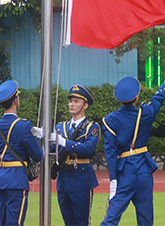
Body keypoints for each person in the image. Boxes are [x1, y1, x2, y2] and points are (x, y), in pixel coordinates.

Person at [101, 54, 165, 226]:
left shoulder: (110, 120)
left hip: (124, 172)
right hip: (144, 171)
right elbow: (160, 96)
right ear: (137, 96)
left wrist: (113, 181)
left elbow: (110, 153)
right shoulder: (145, 113)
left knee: (111, 219)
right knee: (146, 220)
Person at [0, 80, 43, 226]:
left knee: (0, 222)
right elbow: (37, 155)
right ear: (16, 101)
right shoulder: (24, 126)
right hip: (16, 179)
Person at [50, 84, 100, 226]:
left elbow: (89, 149)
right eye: (70, 101)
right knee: (68, 222)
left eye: (76, 101)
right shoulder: (61, 127)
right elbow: (52, 148)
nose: (71, 104)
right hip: (64, 180)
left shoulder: (92, 127)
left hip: (81, 179)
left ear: (85, 105)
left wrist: (65, 142)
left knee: (82, 222)